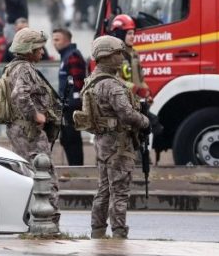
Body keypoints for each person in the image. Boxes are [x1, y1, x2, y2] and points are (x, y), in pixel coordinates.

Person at [87, 35, 149, 239]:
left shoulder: (93, 80)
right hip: (118, 144)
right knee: (119, 191)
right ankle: (119, 234)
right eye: (117, 54)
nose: (122, 57)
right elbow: (126, 114)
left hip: (103, 142)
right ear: (105, 56)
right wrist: (145, 121)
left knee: (104, 189)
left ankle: (97, 231)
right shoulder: (111, 85)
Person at [0, 28, 61, 227]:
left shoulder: (11, 68)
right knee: (45, 174)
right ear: (29, 49)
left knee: (32, 174)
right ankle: (49, 223)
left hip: (21, 130)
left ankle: (37, 221)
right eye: (39, 48)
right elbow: (20, 95)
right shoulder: (24, 69)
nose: (42, 53)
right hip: (30, 132)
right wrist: (36, 114)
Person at [52, 28, 86, 166]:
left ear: (66, 40)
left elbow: (78, 82)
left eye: (57, 39)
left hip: (71, 106)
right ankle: (74, 167)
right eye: (53, 39)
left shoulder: (72, 56)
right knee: (66, 139)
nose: (54, 43)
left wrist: (74, 102)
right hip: (66, 105)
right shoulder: (65, 56)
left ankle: (77, 168)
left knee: (72, 139)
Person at [109, 14, 152, 102]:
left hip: (135, 103)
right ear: (120, 34)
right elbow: (113, 79)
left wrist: (147, 93)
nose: (133, 36)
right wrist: (133, 88)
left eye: (133, 33)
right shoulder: (112, 55)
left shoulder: (134, 54)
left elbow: (141, 80)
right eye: (129, 33)